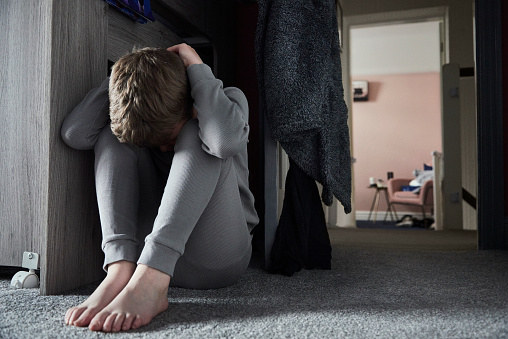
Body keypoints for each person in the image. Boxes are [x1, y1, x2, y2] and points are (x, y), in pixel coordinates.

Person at [60, 44, 259, 332]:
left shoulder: (228, 100)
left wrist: (196, 69)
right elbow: (75, 134)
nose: (165, 149)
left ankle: (153, 281)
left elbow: (225, 141)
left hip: (216, 256)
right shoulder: (147, 116)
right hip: (139, 255)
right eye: (158, 147)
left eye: (168, 140)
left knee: (199, 133)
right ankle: (118, 271)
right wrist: (126, 79)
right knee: (115, 133)